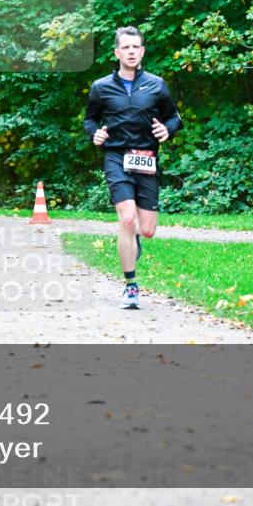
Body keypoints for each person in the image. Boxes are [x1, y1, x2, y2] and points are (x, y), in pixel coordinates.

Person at [83, 26, 182, 309]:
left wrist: (168, 129)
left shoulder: (157, 84)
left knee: (146, 229)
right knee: (126, 219)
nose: (130, 52)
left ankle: (136, 236)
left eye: (135, 47)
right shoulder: (101, 87)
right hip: (116, 157)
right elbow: (90, 120)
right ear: (117, 53)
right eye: (125, 47)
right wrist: (95, 134)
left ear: (142, 51)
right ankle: (131, 286)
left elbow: (174, 117)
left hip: (146, 157)